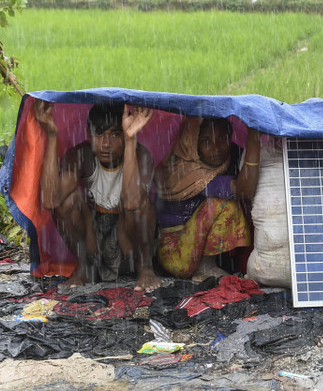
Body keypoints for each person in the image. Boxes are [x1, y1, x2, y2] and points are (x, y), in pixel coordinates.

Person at [34, 101, 159, 291]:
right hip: (95, 235)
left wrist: (130, 140)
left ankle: (145, 269)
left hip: (128, 240)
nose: (106, 144)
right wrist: (51, 135)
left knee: (141, 205)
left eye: (115, 135)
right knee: (66, 202)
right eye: (99, 134)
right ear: (88, 134)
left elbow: (132, 202)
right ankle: (84, 268)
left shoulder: (141, 155)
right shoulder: (81, 155)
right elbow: (50, 200)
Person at [154, 117, 260, 280]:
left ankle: (215, 263)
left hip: (189, 251)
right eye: (206, 141)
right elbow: (243, 191)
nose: (216, 148)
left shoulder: (225, 157)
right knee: (224, 205)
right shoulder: (190, 174)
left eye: (222, 138)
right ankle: (205, 268)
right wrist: (254, 138)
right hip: (175, 256)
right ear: (192, 144)